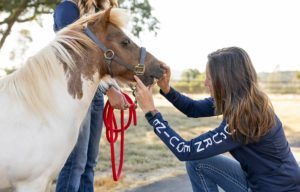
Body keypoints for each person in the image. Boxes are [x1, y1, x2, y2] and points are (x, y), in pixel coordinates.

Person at [134, 46, 300, 192]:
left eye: (209, 77)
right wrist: (166, 89)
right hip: (261, 182)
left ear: (226, 81)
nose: (206, 83)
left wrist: (152, 113)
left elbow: (185, 150)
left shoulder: (244, 118)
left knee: (194, 159)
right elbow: (193, 108)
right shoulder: (239, 101)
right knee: (198, 162)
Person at [53, 0, 129, 191]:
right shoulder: (68, 9)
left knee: (89, 163)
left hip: (94, 95)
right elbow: (80, 56)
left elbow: (107, 56)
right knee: (75, 164)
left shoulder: (101, 12)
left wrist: (115, 85)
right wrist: (109, 89)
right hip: (74, 95)